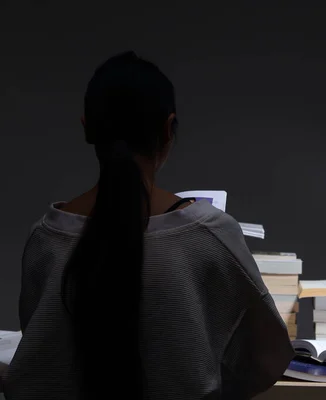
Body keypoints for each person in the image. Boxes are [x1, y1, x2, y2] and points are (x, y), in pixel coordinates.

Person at [2, 51, 294, 400]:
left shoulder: (46, 237)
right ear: (169, 129)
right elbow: (267, 356)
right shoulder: (210, 234)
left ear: (87, 129)